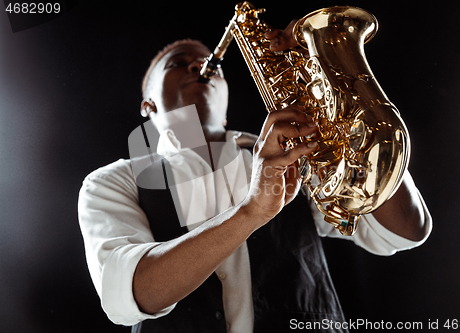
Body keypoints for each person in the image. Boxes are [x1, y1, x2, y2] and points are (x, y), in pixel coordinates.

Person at [78, 24, 432, 333]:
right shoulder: (110, 181)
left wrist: (342, 96)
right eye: (177, 63)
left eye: (209, 66)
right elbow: (134, 293)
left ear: (226, 100)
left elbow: (403, 230)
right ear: (148, 106)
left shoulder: (289, 152)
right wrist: (252, 211)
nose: (199, 66)